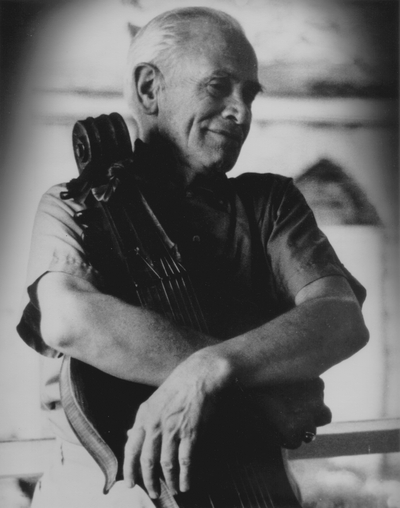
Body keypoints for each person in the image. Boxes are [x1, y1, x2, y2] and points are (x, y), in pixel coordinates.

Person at [17, 7, 369, 508]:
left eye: (249, 94)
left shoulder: (271, 204)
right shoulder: (73, 206)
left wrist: (212, 369)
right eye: (218, 86)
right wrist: (262, 397)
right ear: (148, 89)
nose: (240, 111)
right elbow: (71, 320)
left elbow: (341, 318)